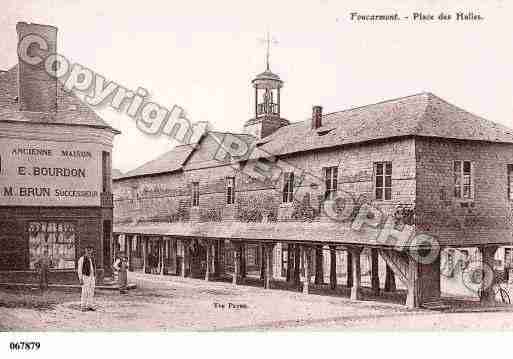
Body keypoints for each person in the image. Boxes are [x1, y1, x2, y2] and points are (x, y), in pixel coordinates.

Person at [77, 246, 96, 311]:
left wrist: (94, 276)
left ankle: (89, 305)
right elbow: (79, 269)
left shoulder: (92, 259)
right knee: (85, 291)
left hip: (92, 276)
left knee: (91, 291)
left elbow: (93, 268)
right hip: (85, 276)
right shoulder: (82, 259)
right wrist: (80, 279)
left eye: (90, 251)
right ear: (85, 251)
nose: (89, 253)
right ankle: (83, 306)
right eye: (88, 251)